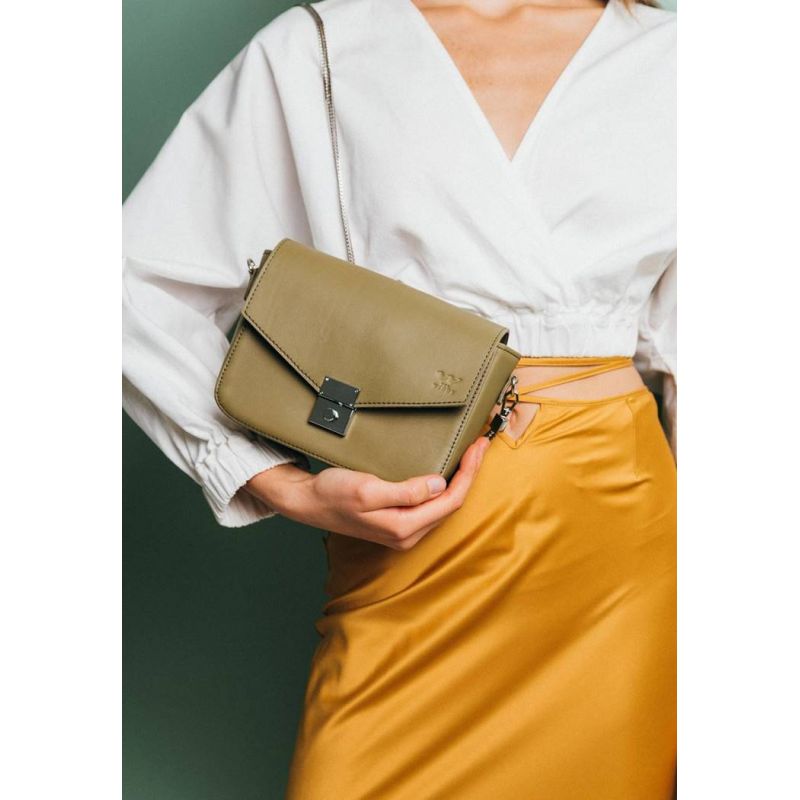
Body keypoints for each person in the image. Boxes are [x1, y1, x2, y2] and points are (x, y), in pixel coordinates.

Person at [122, 0, 676, 796]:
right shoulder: (326, 44)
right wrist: (277, 483)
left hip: (620, 564)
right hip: (408, 555)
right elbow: (133, 283)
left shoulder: (674, 58)